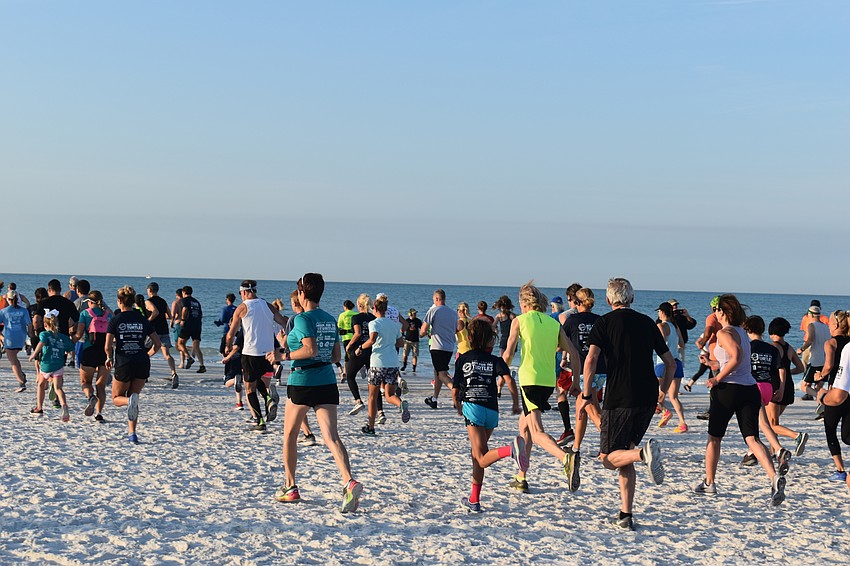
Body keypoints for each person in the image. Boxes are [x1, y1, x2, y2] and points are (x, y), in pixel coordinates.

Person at [581, 278, 672, 530]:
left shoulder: (603, 322)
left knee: (608, 458)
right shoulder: (647, 322)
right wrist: (663, 391)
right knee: (625, 455)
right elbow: (670, 362)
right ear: (631, 298)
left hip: (620, 395)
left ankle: (644, 453)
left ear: (609, 300)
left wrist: (587, 394)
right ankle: (626, 514)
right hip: (647, 395)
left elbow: (590, 361)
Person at [274, 273, 362, 512]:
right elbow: (335, 357)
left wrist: (283, 355)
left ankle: (290, 487)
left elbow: (309, 350)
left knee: (290, 436)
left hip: (303, 381)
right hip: (326, 381)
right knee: (331, 437)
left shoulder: (302, 319)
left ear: (302, 294)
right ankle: (348, 482)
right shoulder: (329, 319)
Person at [693, 295, 786, 506]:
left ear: (723, 312)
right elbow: (735, 360)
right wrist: (711, 363)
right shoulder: (743, 333)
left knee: (714, 438)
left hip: (728, 391)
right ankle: (773, 477)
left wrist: (716, 378)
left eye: (716, 309)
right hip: (749, 389)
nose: (714, 312)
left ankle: (709, 483)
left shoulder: (724, 332)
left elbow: (735, 357)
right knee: (752, 438)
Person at [501, 281, 575, 494]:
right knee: (523, 426)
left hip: (529, 380)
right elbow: (574, 352)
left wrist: (499, 376)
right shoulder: (553, 324)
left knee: (536, 430)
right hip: (548, 381)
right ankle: (521, 477)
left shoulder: (520, 321)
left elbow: (508, 354)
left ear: (524, 303)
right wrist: (576, 380)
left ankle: (565, 458)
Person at [452, 318, 529, 512]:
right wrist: (515, 403)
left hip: (473, 407)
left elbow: (454, 390)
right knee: (476, 455)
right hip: (492, 411)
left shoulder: (463, 358)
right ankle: (474, 500)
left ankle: (510, 450)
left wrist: (458, 406)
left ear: (469, 338)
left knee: (481, 457)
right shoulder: (496, 360)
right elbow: (510, 381)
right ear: (491, 341)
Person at [225, 280, 289, 432]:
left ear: (245, 292)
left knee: (249, 388)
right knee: (259, 380)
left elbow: (231, 333)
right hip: (268, 353)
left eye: (241, 293)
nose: (241, 296)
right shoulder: (268, 305)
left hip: (250, 352)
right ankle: (268, 399)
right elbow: (284, 323)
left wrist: (228, 347)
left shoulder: (242, 308)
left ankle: (260, 421)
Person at [105, 285, 161, 444]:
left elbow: (107, 345)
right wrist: (147, 355)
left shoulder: (115, 319)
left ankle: (129, 404)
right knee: (134, 397)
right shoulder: (143, 319)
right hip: (142, 362)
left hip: (124, 362)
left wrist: (108, 357)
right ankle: (132, 434)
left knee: (117, 399)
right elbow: (157, 344)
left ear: (119, 302)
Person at [739, 315, 792, 472]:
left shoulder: (747, 347)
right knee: (756, 421)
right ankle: (751, 454)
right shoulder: (771, 349)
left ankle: (778, 450)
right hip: (768, 388)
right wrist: (781, 388)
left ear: (747, 329)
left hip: (753, 387)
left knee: (761, 423)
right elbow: (781, 369)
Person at [355, 294, 409, 434]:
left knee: (372, 396)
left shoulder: (374, 323)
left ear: (374, 308)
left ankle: (371, 427)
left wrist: (360, 348)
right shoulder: (395, 324)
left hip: (377, 362)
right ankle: (400, 403)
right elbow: (401, 343)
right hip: (392, 363)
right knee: (389, 395)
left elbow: (372, 340)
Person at [563, 288, 605, 454]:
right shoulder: (600, 320)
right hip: (601, 369)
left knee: (593, 412)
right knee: (582, 409)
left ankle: (613, 442)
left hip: (584, 371)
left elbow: (560, 343)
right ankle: (576, 447)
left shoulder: (572, 320)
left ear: (577, 302)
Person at [817, 310, 850, 483]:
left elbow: (829, 366)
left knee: (830, 430)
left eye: (829, 323)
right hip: (849, 390)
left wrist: (819, 377)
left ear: (836, 325)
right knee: (847, 435)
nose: (828, 325)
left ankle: (840, 470)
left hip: (835, 389)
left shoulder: (831, 343)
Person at [767, 317, 808, 456]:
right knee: (775, 422)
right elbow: (801, 368)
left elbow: (769, 367)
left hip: (776, 386)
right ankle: (773, 451)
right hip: (788, 386)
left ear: (771, 330)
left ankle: (797, 435)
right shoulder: (789, 347)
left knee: (771, 424)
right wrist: (788, 372)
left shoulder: (772, 346)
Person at [28, 309, 73, 419]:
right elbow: (70, 350)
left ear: (45, 324)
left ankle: (39, 407)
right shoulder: (64, 337)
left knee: (40, 384)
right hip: (59, 365)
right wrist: (73, 359)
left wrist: (34, 354)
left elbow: (41, 343)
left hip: (47, 364)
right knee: (58, 388)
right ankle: (64, 406)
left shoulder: (44, 334)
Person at [74, 291, 112, 421]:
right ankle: (99, 413)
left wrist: (69, 343)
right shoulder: (108, 316)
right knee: (101, 386)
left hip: (89, 350)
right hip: (105, 352)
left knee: (86, 382)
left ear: (90, 302)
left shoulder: (85, 314)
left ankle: (91, 397)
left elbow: (79, 335)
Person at [422, 289, 458, 409]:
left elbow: (423, 330)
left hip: (437, 347)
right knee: (438, 372)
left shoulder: (433, 311)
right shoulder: (453, 313)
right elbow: (456, 330)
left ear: (437, 299)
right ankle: (434, 398)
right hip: (449, 347)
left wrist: (424, 334)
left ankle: (457, 391)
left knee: (442, 374)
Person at [654, 302, 688, 432]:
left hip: (663, 363)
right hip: (677, 363)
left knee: (653, 391)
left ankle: (664, 411)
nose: (658, 313)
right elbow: (682, 344)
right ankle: (682, 423)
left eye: (658, 311)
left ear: (662, 312)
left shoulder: (661, 326)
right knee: (673, 397)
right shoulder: (675, 327)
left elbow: (659, 344)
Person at [685, 296, 722, 394]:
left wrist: (703, 343)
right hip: (719, 356)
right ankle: (690, 385)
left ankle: (714, 398)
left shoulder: (712, 317)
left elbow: (707, 333)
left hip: (713, 356)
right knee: (707, 374)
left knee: (711, 377)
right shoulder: (728, 319)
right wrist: (703, 348)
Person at [344, 294, 375, 416]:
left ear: (360, 305)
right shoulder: (373, 317)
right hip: (371, 350)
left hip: (359, 350)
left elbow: (357, 333)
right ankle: (379, 409)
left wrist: (349, 345)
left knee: (350, 376)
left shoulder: (356, 318)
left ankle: (358, 400)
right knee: (373, 380)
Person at [145, 282, 179, 387]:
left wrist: (148, 320)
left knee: (145, 354)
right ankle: (174, 373)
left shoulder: (148, 302)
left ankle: (144, 375)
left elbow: (155, 312)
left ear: (149, 290)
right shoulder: (163, 301)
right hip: (164, 330)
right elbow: (169, 315)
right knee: (167, 354)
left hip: (153, 331)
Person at [0, 290, 32, 392]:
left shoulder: (4, 311)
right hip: (21, 338)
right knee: (15, 358)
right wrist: (30, 335)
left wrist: (1, 336)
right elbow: (29, 324)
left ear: (8, 299)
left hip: (10, 339)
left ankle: (21, 382)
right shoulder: (24, 311)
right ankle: (21, 375)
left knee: (13, 362)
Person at [491, 295, 519, 408]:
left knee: (504, 365)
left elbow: (493, 326)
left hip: (507, 341)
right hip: (507, 341)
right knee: (504, 365)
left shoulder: (506, 316)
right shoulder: (505, 316)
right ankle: (499, 388)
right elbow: (493, 326)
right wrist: (496, 330)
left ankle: (499, 387)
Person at [798, 305, 831, 400]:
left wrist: (802, 349)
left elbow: (810, 340)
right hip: (825, 360)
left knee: (804, 386)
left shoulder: (811, 325)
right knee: (818, 386)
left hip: (814, 360)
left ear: (810, 315)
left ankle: (821, 397)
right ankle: (821, 404)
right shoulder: (826, 327)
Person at [177, 286, 205, 373]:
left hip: (188, 324)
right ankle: (202, 366)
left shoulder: (184, 300)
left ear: (184, 292)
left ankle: (189, 358)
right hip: (197, 325)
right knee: (196, 346)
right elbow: (201, 314)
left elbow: (185, 309)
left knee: (180, 343)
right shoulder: (196, 301)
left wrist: (183, 320)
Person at [668, 298, 697, 363]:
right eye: (673, 305)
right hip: (670, 343)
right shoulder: (666, 316)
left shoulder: (681, 316)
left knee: (680, 362)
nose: (675, 307)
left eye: (676, 305)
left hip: (680, 343)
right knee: (669, 363)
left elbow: (691, 325)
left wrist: (687, 315)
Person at [215, 292, 238, 358]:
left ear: (227, 299)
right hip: (236, 329)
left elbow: (222, 319)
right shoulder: (237, 308)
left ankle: (226, 358)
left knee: (225, 345)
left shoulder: (225, 309)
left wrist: (218, 323)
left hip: (227, 329)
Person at [401, 308, 422, 373]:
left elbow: (422, 328)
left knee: (415, 355)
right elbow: (402, 329)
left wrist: (423, 334)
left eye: (415, 314)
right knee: (405, 354)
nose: (415, 315)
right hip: (407, 340)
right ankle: (404, 365)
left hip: (415, 341)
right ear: (410, 314)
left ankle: (414, 368)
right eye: (414, 313)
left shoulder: (418, 321)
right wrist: (402, 335)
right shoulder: (406, 321)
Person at [170, 288, 186, 369]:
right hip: (185, 324)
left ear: (177, 295)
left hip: (178, 324)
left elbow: (173, 314)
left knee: (178, 346)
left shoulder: (176, 303)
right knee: (182, 344)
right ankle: (182, 362)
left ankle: (188, 355)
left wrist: (171, 322)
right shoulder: (185, 302)